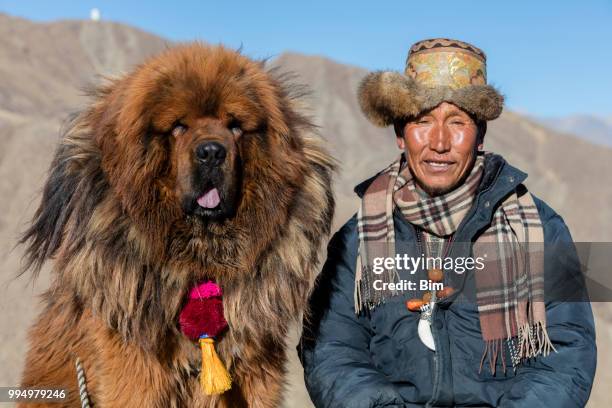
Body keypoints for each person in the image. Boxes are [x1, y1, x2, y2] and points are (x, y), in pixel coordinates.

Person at [298, 38, 596, 408]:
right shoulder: (357, 237)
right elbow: (331, 349)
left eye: (457, 122)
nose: (439, 142)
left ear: (481, 134)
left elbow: (568, 352)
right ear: (399, 135)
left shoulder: (543, 227)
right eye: (423, 121)